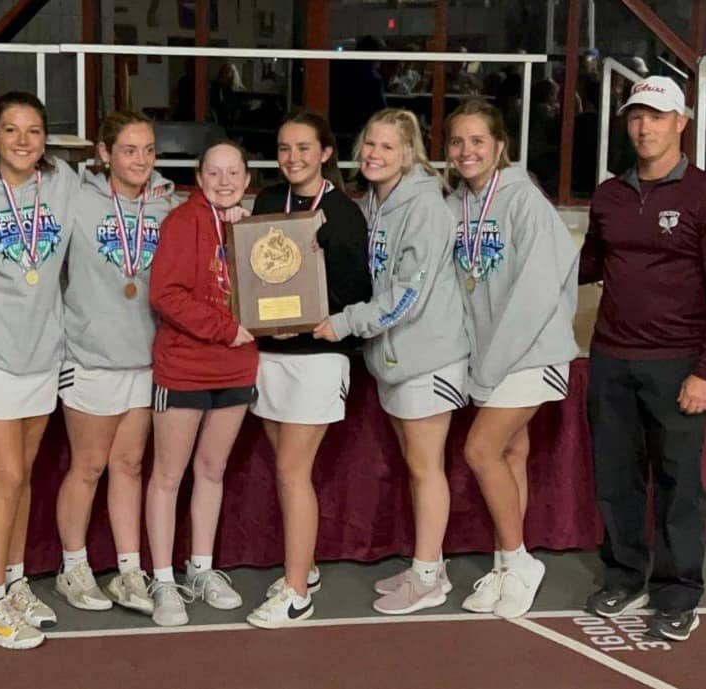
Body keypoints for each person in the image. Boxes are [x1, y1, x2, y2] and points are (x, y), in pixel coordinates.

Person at [579, 76, 706, 641]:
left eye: (655, 116)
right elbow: (587, 267)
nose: (644, 127)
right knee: (616, 479)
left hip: (679, 366)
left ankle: (677, 593)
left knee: (678, 484)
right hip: (611, 358)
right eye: (635, 117)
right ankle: (625, 576)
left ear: (681, 123)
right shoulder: (609, 195)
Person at [313, 109, 467, 615]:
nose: (374, 154)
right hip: (397, 359)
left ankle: (428, 578)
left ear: (409, 153)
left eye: (386, 147)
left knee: (426, 468)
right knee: (416, 466)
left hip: (429, 357)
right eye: (369, 145)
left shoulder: (423, 207)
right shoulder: (379, 202)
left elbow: (407, 297)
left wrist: (347, 321)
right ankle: (430, 565)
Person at [0, 91, 79, 650]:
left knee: (22, 480)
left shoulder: (65, 185)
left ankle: (16, 580)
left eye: (33, 130)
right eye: (11, 130)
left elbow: (127, 196)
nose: (23, 140)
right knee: (4, 480)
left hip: (42, 355)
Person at [445, 99, 578, 619]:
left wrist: (491, 365)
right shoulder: (460, 203)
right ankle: (505, 564)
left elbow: (537, 291)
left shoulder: (525, 201)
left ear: (500, 146)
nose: (467, 151)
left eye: (478, 141)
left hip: (530, 351)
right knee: (511, 455)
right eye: (457, 142)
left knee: (480, 450)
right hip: (492, 355)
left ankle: (521, 561)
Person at [244, 111, 372, 629]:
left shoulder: (344, 213)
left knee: (294, 473)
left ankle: (296, 593)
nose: (292, 157)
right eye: (283, 148)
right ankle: (308, 568)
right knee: (284, 467)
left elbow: (358, 296)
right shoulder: (268, 203)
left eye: (303, 148)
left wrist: (326, 321)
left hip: (317, 358)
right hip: (270, 354)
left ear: (325, 153)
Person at [54, 110, 178, 615]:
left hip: (145, 358)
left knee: (128, 466)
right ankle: (73, 567)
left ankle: (129, 571)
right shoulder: (77, 199)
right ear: (104, 154)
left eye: (149, 150)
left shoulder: (166, 204)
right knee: (88, 467)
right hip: (91, 356)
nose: (141, 160)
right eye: (129, 150)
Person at [145, 141, 258, 627]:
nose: (225, 180)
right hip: (186, 366)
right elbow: (164, 294)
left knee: (212, 471)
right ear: (199, 175)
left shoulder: (252, 226)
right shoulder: (181, 221)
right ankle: (163, 579)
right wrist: (225, 328)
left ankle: (201, 568)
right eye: (215, 171)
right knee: (169, 476)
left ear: (247, 179)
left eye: (234, 172)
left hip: (237, 367)